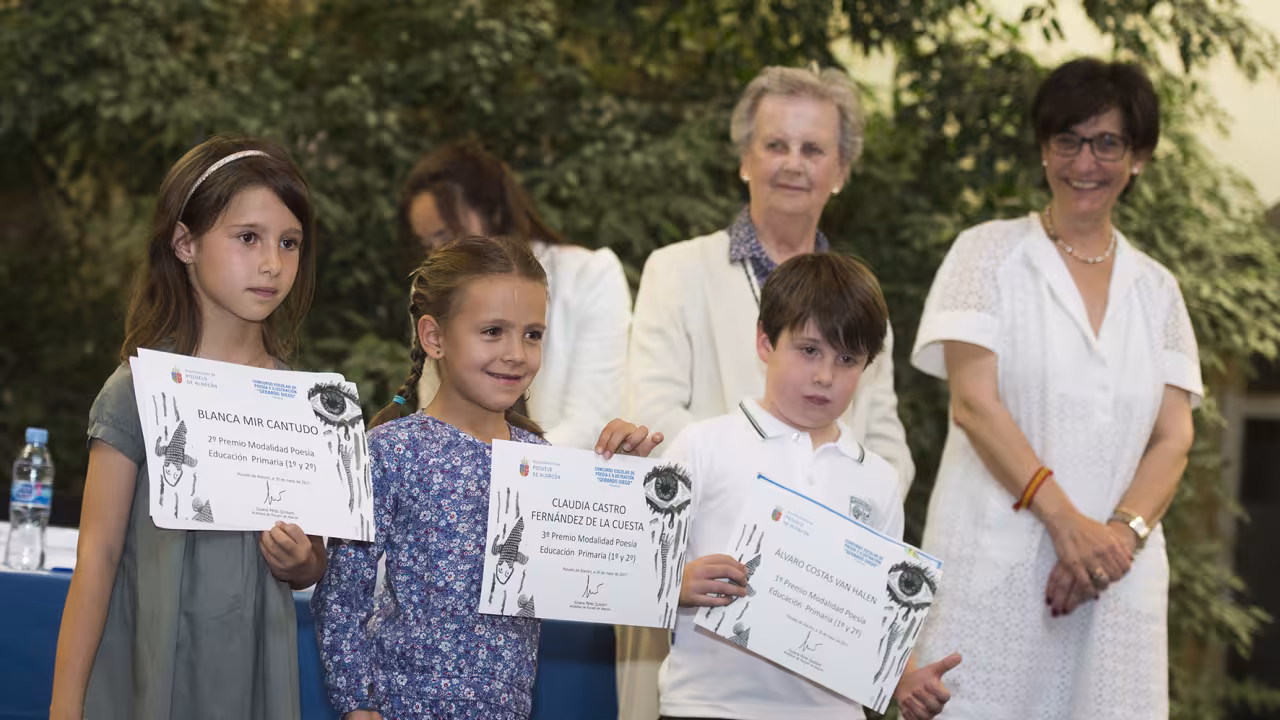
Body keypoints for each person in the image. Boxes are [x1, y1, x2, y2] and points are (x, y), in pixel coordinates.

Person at [909, 58, 1201, 718]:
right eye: (1067, 139)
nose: (1084, 162)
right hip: (995, 574)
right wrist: (1067, 525)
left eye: (1107, 143)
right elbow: (974, 405)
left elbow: (1174, 436)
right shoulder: (985, 254)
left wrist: (1114, 541)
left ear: (1138, 158)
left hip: (1113, 585)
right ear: (1044, 148)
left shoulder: (1158, 290)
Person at [622, 64, 915, 720]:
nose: (793, 163)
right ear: (744, 159)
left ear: (841, 170)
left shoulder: (862, 303)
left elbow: (887, 439)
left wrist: (832, 531)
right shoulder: (677, 269)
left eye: (813, 149)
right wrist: (769, 517)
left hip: (824, 612)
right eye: (775, 144)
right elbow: (656, 412)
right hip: (711, 596)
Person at [311, 235, 662, 720]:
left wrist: (623, 483)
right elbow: (342, 596)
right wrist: (358, 704)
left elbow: (599, 577)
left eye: (533, 334)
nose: (516, 353)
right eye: (493, 331)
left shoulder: (543, 464)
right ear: (434, 337)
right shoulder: (390, 452)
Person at [50, 136, 328, 720]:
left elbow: (312, 561)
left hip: (253, 681)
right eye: (248, 237)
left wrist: (301, 561)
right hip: (144, 677)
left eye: (289, 242)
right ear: (185, 243)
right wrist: (64, 708)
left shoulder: (302, 405)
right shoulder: (136, 390)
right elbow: (96, 557)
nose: (272, 263)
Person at [662, 253, 960, 720]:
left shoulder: (879, 480)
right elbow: (633, 578)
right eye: (809, 350)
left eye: (847, 359)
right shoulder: (702, 445)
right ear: (765, 340)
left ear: (868, 366)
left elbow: (875, 617)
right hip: (705, 706)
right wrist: (677, 584)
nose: (825, 376)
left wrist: (900, 677)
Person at [399, 141, 631, 449]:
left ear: (493, 212)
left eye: (447, 235)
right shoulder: (432, 286)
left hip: (557, 474)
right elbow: (437, 412)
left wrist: (503, 469)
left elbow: (590, 423)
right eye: (428, 244)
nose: (439, 254)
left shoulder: (589, 275)